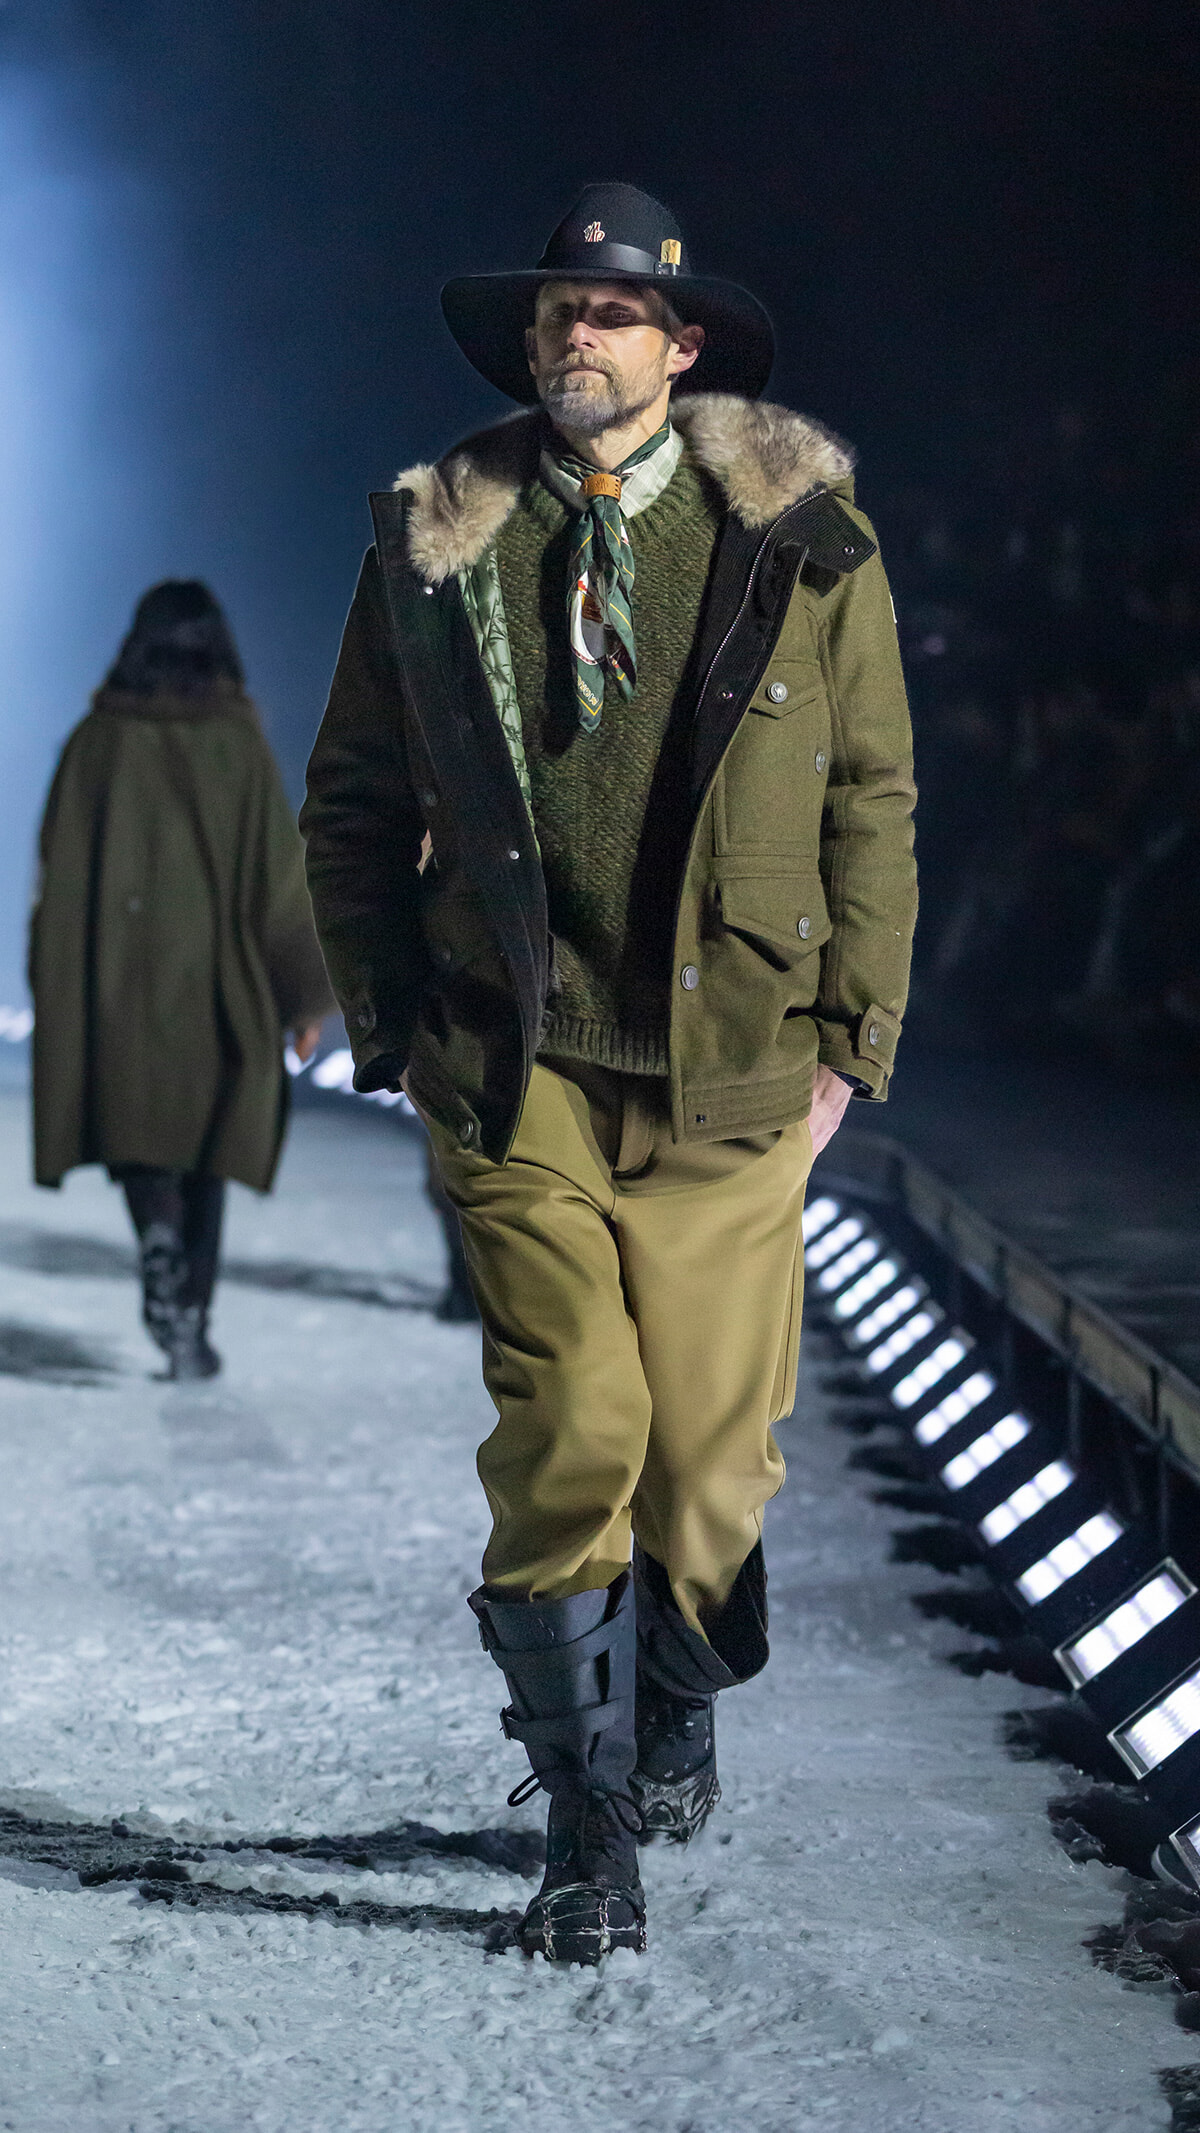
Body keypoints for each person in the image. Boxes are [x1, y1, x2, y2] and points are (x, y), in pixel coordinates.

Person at [302, 183, 917, 1963]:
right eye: (558, 309)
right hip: (521, 1070)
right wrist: (392, 1019)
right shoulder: (433, 546)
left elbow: (871, 791)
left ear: (683, 342)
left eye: (614, 311)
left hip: (736, 1069)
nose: (579, 332)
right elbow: (350, 798)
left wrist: (853, 1044)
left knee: (713, 1467)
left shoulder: (808, 541)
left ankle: (677, 1677)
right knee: (578, 1429)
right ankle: (585, 1824)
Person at [31, 580, 332, 1380]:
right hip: (217, 990)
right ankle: (190, 1322)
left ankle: (156, 1243)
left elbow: (56, 875)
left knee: (141, 1141)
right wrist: (304, 997)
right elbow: (279, 879)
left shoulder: (96, 740)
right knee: (205, 1150)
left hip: (117, 985)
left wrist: (55, 978)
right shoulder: (236, 744)